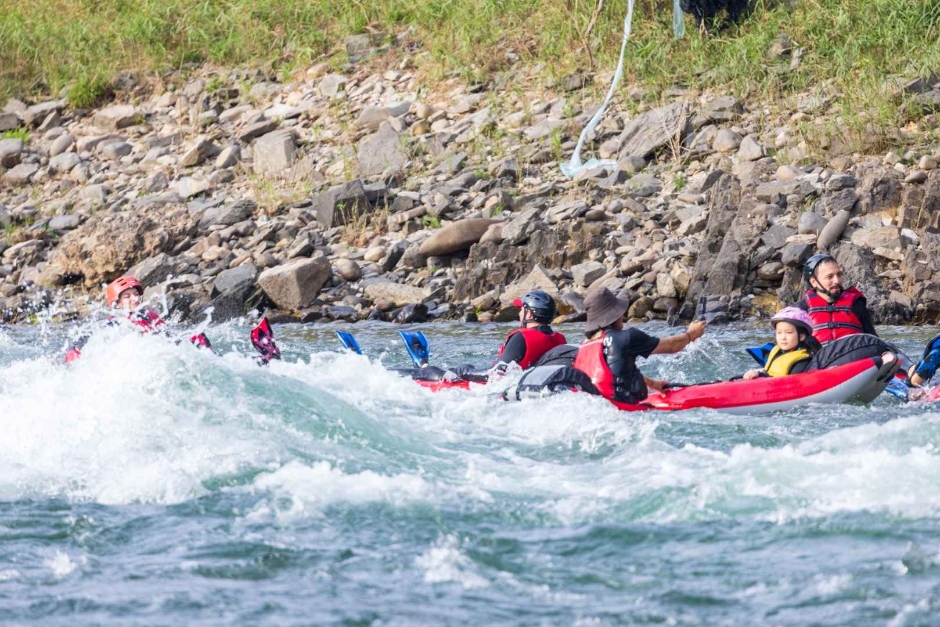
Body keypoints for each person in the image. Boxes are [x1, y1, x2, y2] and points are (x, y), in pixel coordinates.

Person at [572, 287, 706, 403]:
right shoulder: (626, 337)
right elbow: (672, 346)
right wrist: (691, 334)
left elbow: (612, 374)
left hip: (596, 408)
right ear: (615, 315)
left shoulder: (584, 346)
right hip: (621, 410)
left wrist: (652, 383)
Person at [796, 253, 877, 343]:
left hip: (853, 355)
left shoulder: (856, 304)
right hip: (819, 356)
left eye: (839, 275)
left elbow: (873, 339)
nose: (837, 281)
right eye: (829, 277)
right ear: (813, 282)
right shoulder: (801, 310)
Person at [742, 307, 822, 380]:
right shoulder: (776, 350)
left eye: (789, 332)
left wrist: (760, 375)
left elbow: (790, 382)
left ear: (801, 336)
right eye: (779, 332)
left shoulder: (802, 361)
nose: (783, 337)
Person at [494, 290, 567, 369]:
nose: (519, 314)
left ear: (529, 314)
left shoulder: (521, 338)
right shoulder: (560, 339)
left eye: (521, 310)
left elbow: (498, 373)